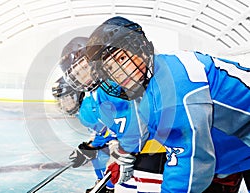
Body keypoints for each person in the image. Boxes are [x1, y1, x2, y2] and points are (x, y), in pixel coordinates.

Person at [86, 16, 250, 193]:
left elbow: (190, 162)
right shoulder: (154, 82)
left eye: (122, 58)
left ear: (140, 48)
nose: (119, 72)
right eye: (109, 69)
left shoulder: (174, 87)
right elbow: (143, 127)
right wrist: (124, 154)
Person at [59, 36, 167, 192]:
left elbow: (135, 124)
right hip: (141, 152)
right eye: (77, 74)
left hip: (152, 151)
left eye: (84, 68)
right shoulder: (99, 91)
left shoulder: (115, 84)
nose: (83, 78)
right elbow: (111, 129)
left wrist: (122, 153)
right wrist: (91, 147)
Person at [52, 76, 116, 193]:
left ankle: (109, 186)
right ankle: (103, 183)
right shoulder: (83, 108)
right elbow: (100, 132)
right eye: (60, 100)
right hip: (117, 136)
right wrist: (89, 147)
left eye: (66, 99)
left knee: (101, 155)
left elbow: (109, 132)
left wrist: (90, 148)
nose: (63, 104)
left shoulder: (85, 111)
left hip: (123, 139)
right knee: (97, 154)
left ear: (76, 95)